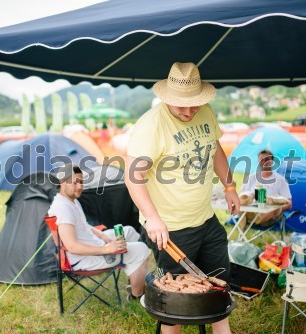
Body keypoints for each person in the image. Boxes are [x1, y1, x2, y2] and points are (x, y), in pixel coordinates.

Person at [125, 62, 239, 334]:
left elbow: (215, 150)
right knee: (173, 303)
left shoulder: (206, 112)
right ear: (167, 98)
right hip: (171, 228)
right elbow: (132, 176)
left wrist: (230, 186)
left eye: (194, 105)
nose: (189, 112)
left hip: (207, 220)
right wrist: (152, 218)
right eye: (181, 106)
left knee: (218, 289)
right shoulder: (151, 125)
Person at [48, 165, 151, 301]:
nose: (79, 187)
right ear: (62, 183)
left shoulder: (70, 200)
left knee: (129, 231)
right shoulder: (63, 208)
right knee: (141, 250)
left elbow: (84, 225)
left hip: (93, 243)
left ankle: (134, 275)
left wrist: (103, 236)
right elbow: (72, 247)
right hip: (83, 258)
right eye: (75, 182)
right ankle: (136, 296)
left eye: (81, 182)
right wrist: (107, 248)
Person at [239, 149, 292, 226]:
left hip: (270, 216)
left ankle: (256, 220)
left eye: (267, 159)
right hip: (252, 210)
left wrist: (276, 208)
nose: (264, 162)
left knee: (275, 209)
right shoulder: (251, 178)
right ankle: (252, 218)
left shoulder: (281, 180)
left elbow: (289, 204)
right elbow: (242, 197)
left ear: (272, 161)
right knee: (242, 203)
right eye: (261, 160)